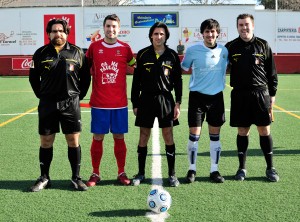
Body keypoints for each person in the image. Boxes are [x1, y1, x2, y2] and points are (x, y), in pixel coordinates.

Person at [29, 19, 91, 192]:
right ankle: (44, 177)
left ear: (67, 32)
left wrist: (78, 96)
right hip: (48, 104)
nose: (58, 34)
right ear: (49, 34)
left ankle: (76, 178)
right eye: (54, 31)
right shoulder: (40, 53)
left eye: (61, 31)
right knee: (46, 141)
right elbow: (33, 78)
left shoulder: (78, 52)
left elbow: (85, 78)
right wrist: (41, 96)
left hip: (70, 103)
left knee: (73, 140)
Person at [225, 13, 279, 182]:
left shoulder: (263, 45)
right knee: (243, 131)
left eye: (247, 24)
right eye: (241, 25)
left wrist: (273, 94)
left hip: (260, 94)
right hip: (240, 94)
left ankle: (270, 168)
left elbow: (272, 72)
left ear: (253, 26)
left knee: (264, 130)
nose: (244, 28)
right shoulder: (230, 47)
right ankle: (241, 168)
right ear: (237, 27)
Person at [85, 14, 136, 186]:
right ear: (104, 27)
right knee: (98, 137)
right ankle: (95, 173)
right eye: (108, 26)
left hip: (119, 103)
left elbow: (135, 66)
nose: (111, 29)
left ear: (119, 29)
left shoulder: (125, 48)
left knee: (119, 136)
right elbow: (84, 69)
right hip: (99, 103)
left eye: (114, 26)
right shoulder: (94, 48)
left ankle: (121, 172)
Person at [131, 22, 183, 187]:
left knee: (168, 135)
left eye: (161, 34)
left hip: (165, 99)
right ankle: (140, 173)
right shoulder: (143, 54)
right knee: (143, 136)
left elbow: (178, 82)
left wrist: (178, 103)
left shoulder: (172, 55)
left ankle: (172, 174)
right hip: (145, 99)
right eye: (156, 34)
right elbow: (136, 81)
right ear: (151, 36)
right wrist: (135, 102)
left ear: (166, 36)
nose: (158, 37)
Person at [181, 19, 228, 183]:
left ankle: (214, 170)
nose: (210, 34)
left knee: (215, 135)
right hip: (197, 97)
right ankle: (191, 169)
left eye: (213, 31)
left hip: (216, 98)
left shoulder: (224, 50)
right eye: (207, 31)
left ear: (218, 33)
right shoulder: (193, 50)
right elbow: (184, 67)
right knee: (194, 135)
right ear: (202, 34)